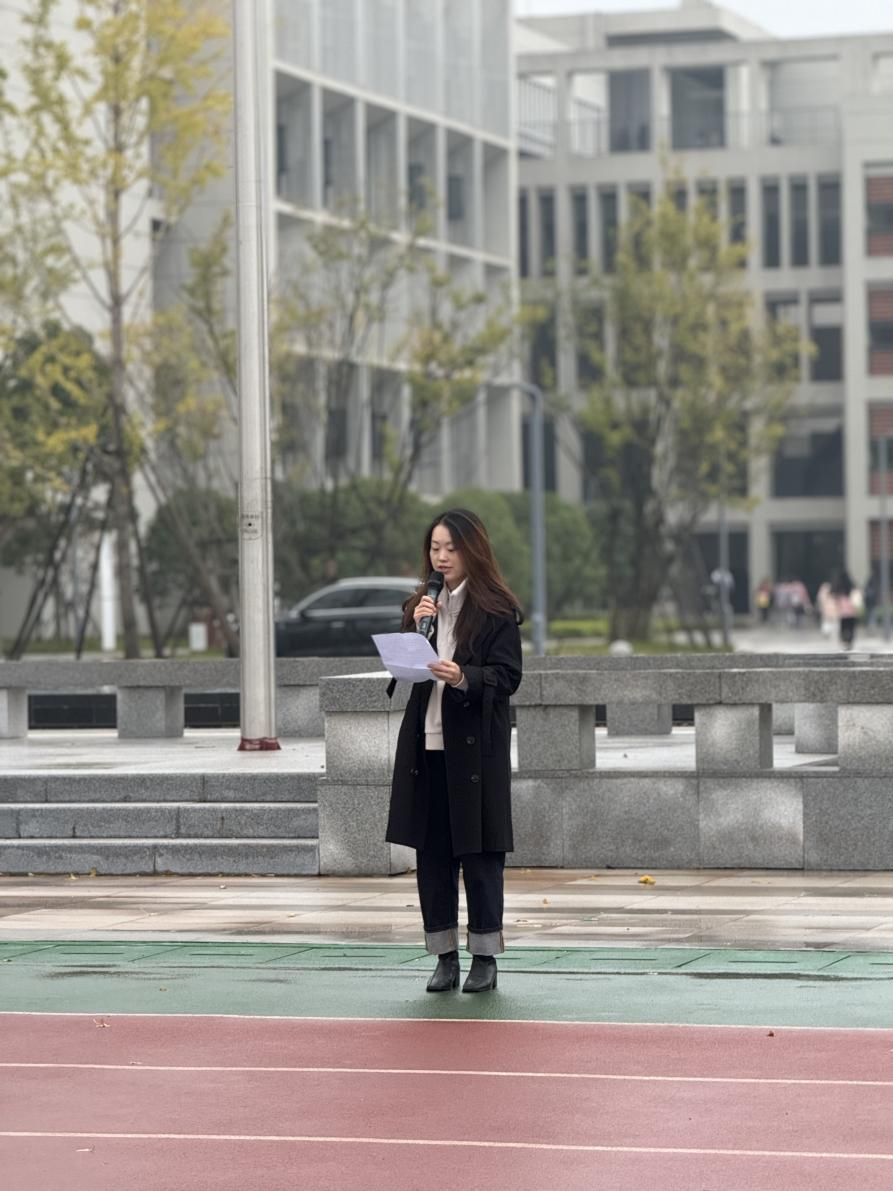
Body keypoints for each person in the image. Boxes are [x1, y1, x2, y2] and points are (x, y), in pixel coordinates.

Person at [386, 509, 522, 994]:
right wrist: (414, 629)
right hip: (426, 747)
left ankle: (484, 957)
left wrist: (464, 676)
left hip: (474, 751)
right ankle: (443, 956)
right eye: (434, 547)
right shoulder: (421, 606)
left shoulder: (496, 609)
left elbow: (508, 677)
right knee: (433, 857)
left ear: (472, 551)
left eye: (451, 548)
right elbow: (406, 668)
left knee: (480, 856)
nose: (441, 557)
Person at [831, 570, 862, 650]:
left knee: (843, 627)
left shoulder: (838, 586)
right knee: (851, 627)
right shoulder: (851, 586)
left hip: (842, 611)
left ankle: (844, 641)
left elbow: (833, 596)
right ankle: (850, 641)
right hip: (852, 610)